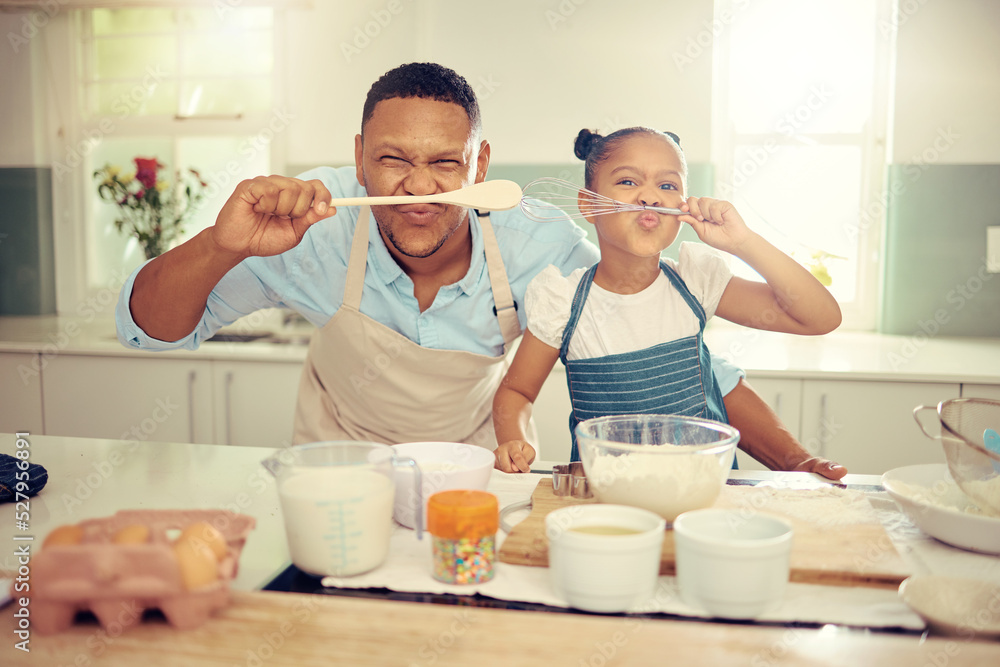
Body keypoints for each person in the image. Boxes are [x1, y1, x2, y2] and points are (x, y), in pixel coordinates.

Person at [115, 62, 845, 480]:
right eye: (393, 160)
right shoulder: (312, 225)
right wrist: (223, 242)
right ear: (360, 153)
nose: (419, 188)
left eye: (445, 164)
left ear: (480, 164)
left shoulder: (547, 252)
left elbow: (688, 358)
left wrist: (795, 459)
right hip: (332, 479)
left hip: (468, 482)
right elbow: (151, 331)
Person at [492, 127, 843, 474]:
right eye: (628, 182)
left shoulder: (695, 281)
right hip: (607, 496)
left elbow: (818, 318)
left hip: (702, 489)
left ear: (683, 205)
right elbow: (516, 391)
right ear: (589, 204)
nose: (651, 197)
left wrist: (742, 242)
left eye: (667, 185)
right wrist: (512, 438)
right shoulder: (562, 302)